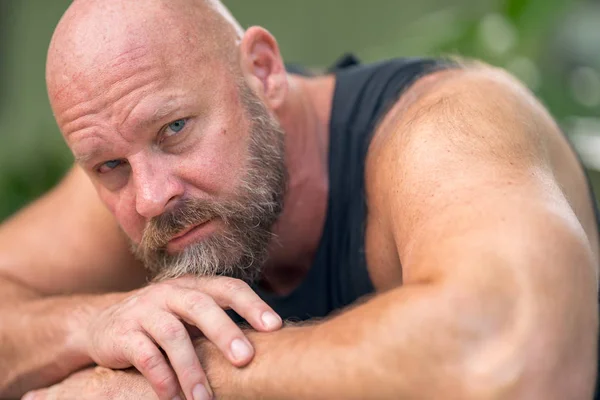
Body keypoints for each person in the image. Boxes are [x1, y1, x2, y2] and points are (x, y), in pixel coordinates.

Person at [0, 0, 598, 399]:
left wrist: (173, 376)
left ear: (262, 72)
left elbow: (517, 357)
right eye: (108, 166)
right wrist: (86, 325)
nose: (152, 197)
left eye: (176, 129)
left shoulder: (438, 131)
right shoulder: (149, 177)